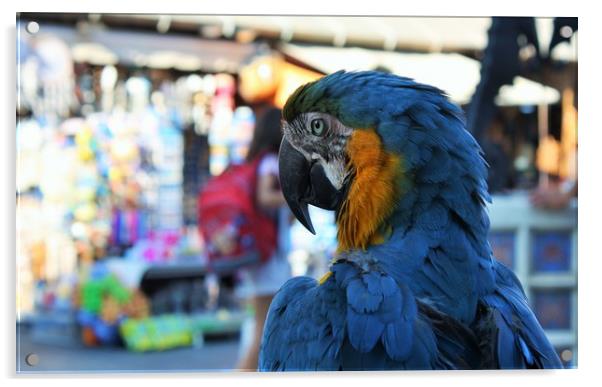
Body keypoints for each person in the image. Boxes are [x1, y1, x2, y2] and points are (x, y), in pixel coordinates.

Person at [236, 106, 292, 371]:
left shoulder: (257, 161)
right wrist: (293, 197)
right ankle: (244, 373)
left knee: (261, 319)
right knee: (263, 322)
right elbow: (263, 197)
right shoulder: (270, 163)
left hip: (263, 253)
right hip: (268, 256)